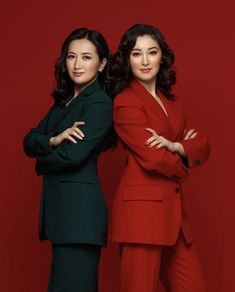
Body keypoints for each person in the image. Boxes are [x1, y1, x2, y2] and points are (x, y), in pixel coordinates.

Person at [107, 24, 210, 292]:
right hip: (142, 218)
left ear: (161, 56)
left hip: (175, 220)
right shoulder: (125, 102)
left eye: (151, 52)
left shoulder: (173, 104)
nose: (144, 61)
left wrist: (177, 146)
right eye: (136, 53)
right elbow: (153, 159)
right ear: (127, 59)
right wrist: (184, 162)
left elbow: (202, 144)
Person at [23, 28, 112, 292]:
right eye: (71, 57)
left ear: (102, 64)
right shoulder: (63, 103)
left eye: (86, 57)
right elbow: (29, 140)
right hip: (64, 218)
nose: (77, 64)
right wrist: (52, 140)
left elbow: (73, 155)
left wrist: (41, 160)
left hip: (79, 218)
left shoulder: (99, 103)